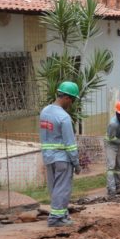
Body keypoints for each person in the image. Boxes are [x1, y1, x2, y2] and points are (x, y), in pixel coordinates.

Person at [39, 81, 81, 227]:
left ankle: (61, 214)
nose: (72, 104)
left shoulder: (44, 112)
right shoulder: (64, 118)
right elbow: (70, 145)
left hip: (48, 157)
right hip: (63, 159)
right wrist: (76, 164)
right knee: (62, 188)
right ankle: (55, 219)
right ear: (67, 98)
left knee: (54, 187)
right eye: (73, 100)